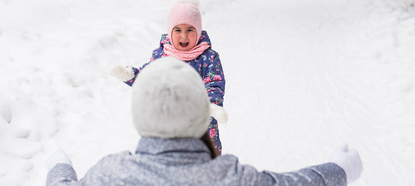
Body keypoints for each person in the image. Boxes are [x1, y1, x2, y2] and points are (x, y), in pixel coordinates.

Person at [46, 57, 363, 186]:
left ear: (140, 117)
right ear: (202, 115)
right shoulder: (229, 177)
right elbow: (294, 184)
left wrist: (59, 167)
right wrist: (340, 169)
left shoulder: (112, 174)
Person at [110, 0, 227, 155]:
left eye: (190, 30)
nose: (184, 36)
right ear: (170, 32)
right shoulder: (162, 55)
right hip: (168, 118)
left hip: (200, 118)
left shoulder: (208, 57)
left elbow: (214, 82)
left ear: (199, 31)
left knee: (204, 157)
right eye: (178, 30)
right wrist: (131, 75)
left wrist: (211, 105)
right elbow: (149, 77)